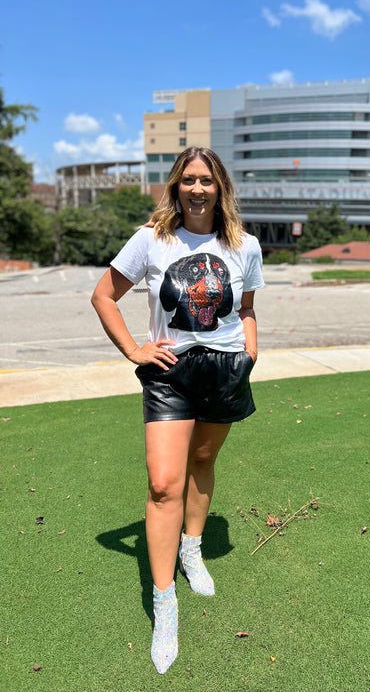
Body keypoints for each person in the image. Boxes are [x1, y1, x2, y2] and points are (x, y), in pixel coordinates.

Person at [91, 147, 264, 674]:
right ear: (175, 185)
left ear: (221, 188)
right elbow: (103, 295)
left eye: (206, 181)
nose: (196, 189)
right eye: (187, 180)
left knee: (203, 464)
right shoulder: (151, 239)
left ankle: (193, 548)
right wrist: (134, 350)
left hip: (225, 368)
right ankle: (165, 601)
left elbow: (249, 308)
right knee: (164, 483)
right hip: (169, 373)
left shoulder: (245, 245)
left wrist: (250, 354)